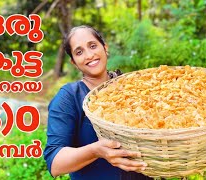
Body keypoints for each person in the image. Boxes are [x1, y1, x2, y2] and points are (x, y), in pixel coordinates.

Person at [43, 25, 152, 180]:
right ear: (74, 62)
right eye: (79, 52)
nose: (89, 55)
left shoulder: (131, 86)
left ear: (105, 48)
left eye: (92, 46)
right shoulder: (69, 97)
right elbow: (55, 163)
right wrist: (95, 151)